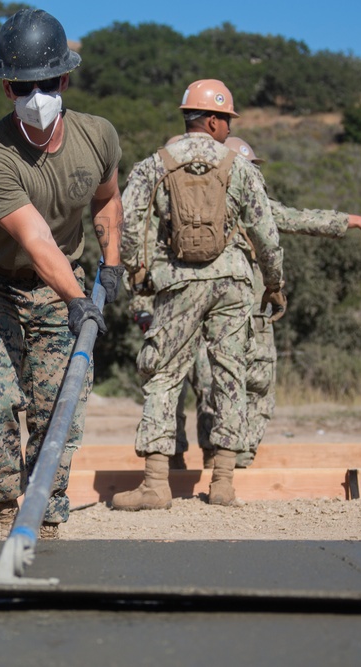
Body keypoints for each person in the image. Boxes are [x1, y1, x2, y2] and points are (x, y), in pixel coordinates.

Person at [0, 8, 124, 540]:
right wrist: (80, 300)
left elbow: (107, 199)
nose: (37, 95)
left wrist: (112, 262)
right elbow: (35, 239)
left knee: (59, 409)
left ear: (65, 79)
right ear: (6, 88)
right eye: (23, 86)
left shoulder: (98, 137)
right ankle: (6, 505)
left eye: (46, 83)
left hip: (62, 283)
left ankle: (47, 517)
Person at [133, 135, 361, 470]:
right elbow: (296, 219)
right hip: (246, 312)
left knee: (211, 388)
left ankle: (209, 462)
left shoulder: (190, 201)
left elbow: (147, 251)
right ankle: (231, 465)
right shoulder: (246, 201)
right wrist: (351, 221)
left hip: (207, 310)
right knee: (246, 388)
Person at [113, 79, 284, 511]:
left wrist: (139, 274)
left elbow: (129, 224)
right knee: (231, 374)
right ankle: (223, 483)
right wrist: (275, 282)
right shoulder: (239, 167)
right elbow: (266, 232)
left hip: (178, 281)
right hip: (233, 282)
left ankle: (155, 484)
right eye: (226, 121)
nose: (228, 129)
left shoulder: (155, 164)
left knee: (165, 374)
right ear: (212, 120)